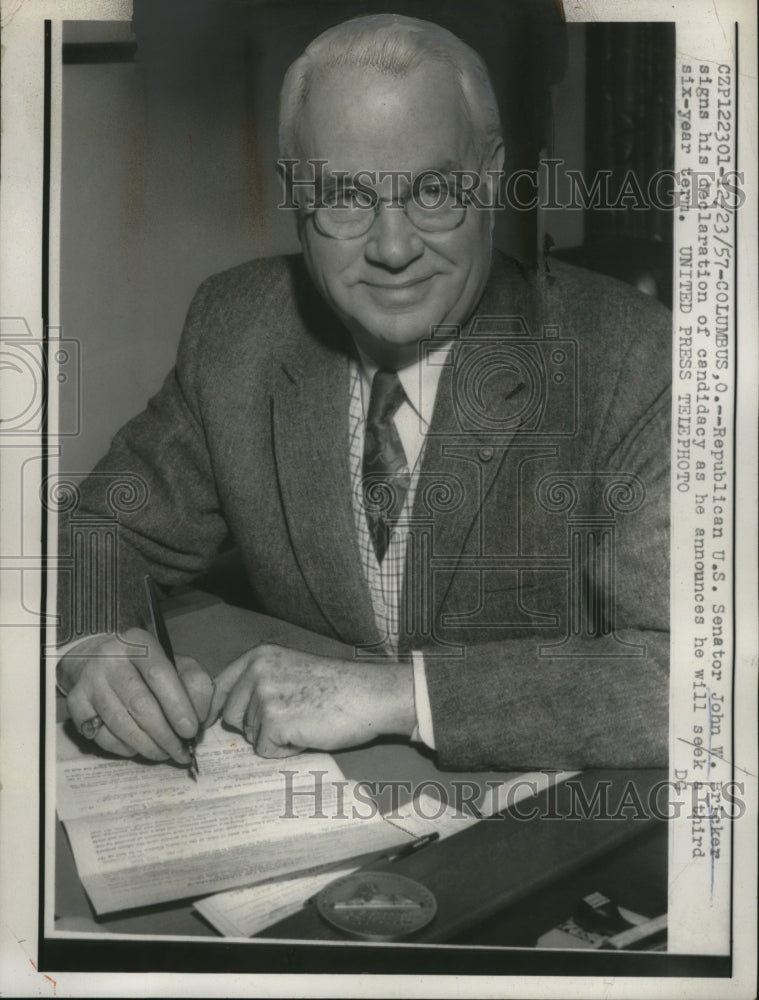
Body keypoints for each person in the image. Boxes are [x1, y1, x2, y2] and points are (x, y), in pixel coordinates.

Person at [56, 13, 671, 772]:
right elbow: (98, 530)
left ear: (491, 176)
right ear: (295, 198)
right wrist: (96, 645)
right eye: (344, 195)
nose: (391, 246)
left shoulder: (633, 359)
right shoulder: (237, 330)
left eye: (434, 190)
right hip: (314, 804)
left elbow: (693, 675)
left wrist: (400, 696)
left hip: (543, 824)